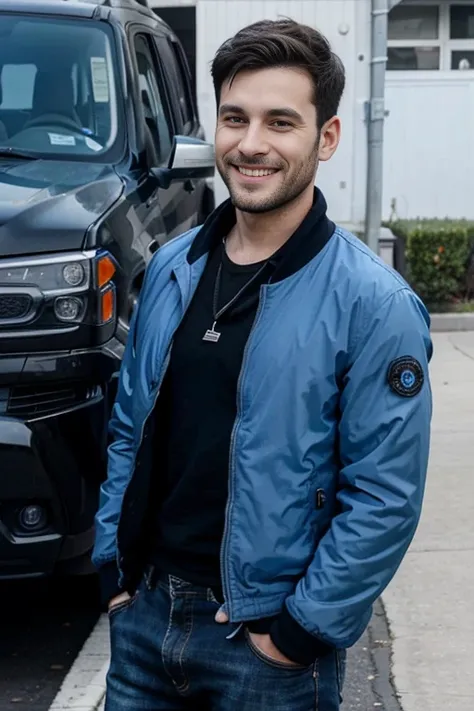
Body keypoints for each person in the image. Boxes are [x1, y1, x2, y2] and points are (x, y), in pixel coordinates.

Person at [92, 18, 432, 711]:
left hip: (266, 647)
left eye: (281, 122)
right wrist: (114, 573)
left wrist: (300, 630)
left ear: (326, 138)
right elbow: (129, 426)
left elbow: (384, 496)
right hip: (146, 621)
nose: (252, 144)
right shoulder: (170, 269)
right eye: (234, 118)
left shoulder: (375, 303)